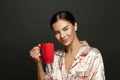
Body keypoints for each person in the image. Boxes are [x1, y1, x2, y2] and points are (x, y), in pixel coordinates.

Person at [29, 10, 106, 80]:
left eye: (65, 29)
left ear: (75, 26)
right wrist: (38, 63)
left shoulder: (93, 55)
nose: (62, 36)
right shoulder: (54, 57)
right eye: (57, 32)